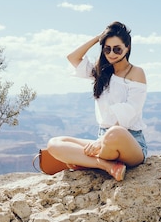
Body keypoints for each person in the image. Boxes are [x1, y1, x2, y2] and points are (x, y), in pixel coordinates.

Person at [46, 21, 148, 181]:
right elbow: (73, 57)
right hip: (103, 140)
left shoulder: (136, 72)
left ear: (127, 47)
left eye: (117, 49)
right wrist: (97, 38)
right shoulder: (101, 72)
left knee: (116, 132)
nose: (111, 53)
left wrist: (102, 141)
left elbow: (130, 112)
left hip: (128, 141)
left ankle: (86, 161)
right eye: (107, 49)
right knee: (54, 143)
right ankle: (106, 165)